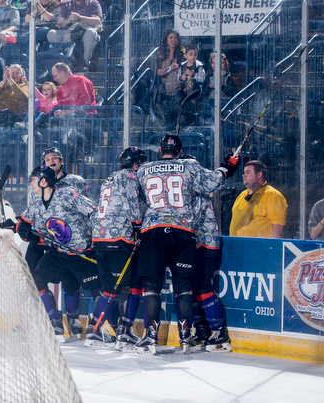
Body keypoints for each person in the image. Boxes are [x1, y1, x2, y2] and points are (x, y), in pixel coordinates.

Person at [134, 133, 239, 354]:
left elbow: (142, 198)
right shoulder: (189, 166)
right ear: (180, 152)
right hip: (183, 232)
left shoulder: (144, 169)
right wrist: (226, 167)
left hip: (153, 231)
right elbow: (213, 182)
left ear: (160, 150)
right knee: (184, 287)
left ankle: (151, 338)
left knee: (151, 287)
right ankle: (185, 337)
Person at [16, 166, 102, 339]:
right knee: (36, 279)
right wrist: (20, 228)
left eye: (33, 179)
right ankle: (54, 317)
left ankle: (99, 327)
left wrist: (96, 237)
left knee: (97, 288)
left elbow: (94, 210)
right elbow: (24, 222)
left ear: (43, 181)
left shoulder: (67, 194)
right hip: (58, 253)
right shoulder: (37, 203)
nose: (30, 183)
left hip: (81, 254)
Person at [86, 147, 147, 349]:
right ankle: (125, 332)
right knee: (133, 285)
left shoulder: (111, 178)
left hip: (100, 239)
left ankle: (93, 330)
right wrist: (138, 226)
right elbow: (132, 204)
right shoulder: (130, 176)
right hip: (118, 238)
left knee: (109, 290)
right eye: (141, 163)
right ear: (135, 164)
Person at [179, 154, 232, 353]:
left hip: (204, 244)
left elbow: (190, 219)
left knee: (203, 289)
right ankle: (202, 331)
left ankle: (219, 334)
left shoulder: (195, 189)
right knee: (193, 290)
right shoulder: (193, 187)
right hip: (196, 245)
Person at [229, 160, 288, 238]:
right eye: (244, 172)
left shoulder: (272, 195)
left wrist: (273, 247)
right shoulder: (241, 195)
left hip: (260, 248)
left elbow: (277, 228)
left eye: (248, 172)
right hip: (237, 246)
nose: (244, 175)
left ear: (259, 174)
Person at [46, 0, 103, 71]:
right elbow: (60, 22)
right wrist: (68, 20)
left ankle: (85, 63)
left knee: (90, 32)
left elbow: (97, 20)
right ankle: (63, 62)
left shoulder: (93, 3)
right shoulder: (67, 4)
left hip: (85, 30)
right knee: (51, 33)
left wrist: (80, 18)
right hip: (69, 32)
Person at [153, 30, 184, 129]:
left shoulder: (182, 54)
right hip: (165, 90)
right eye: (171, 37)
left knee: (177, 115)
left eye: (175, 38)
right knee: (167, 118)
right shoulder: (160, 55)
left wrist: (179, 67)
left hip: (178, 89)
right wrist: (158, 72)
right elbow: (156, 74)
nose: (173, 40)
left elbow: (187, 69)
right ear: (166, 40)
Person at [177, 43, 205, 125]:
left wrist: (193, 75)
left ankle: (193, 123)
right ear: (185, 55)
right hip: (184, 93)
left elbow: (202, 78)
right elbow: (178, 77)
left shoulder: (199, 66)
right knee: (184, 108)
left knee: (194, 109)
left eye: (195, 54)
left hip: (195, 93)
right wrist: (181, 78)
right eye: (191, 54)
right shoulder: (182, 66)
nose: (193, 57)